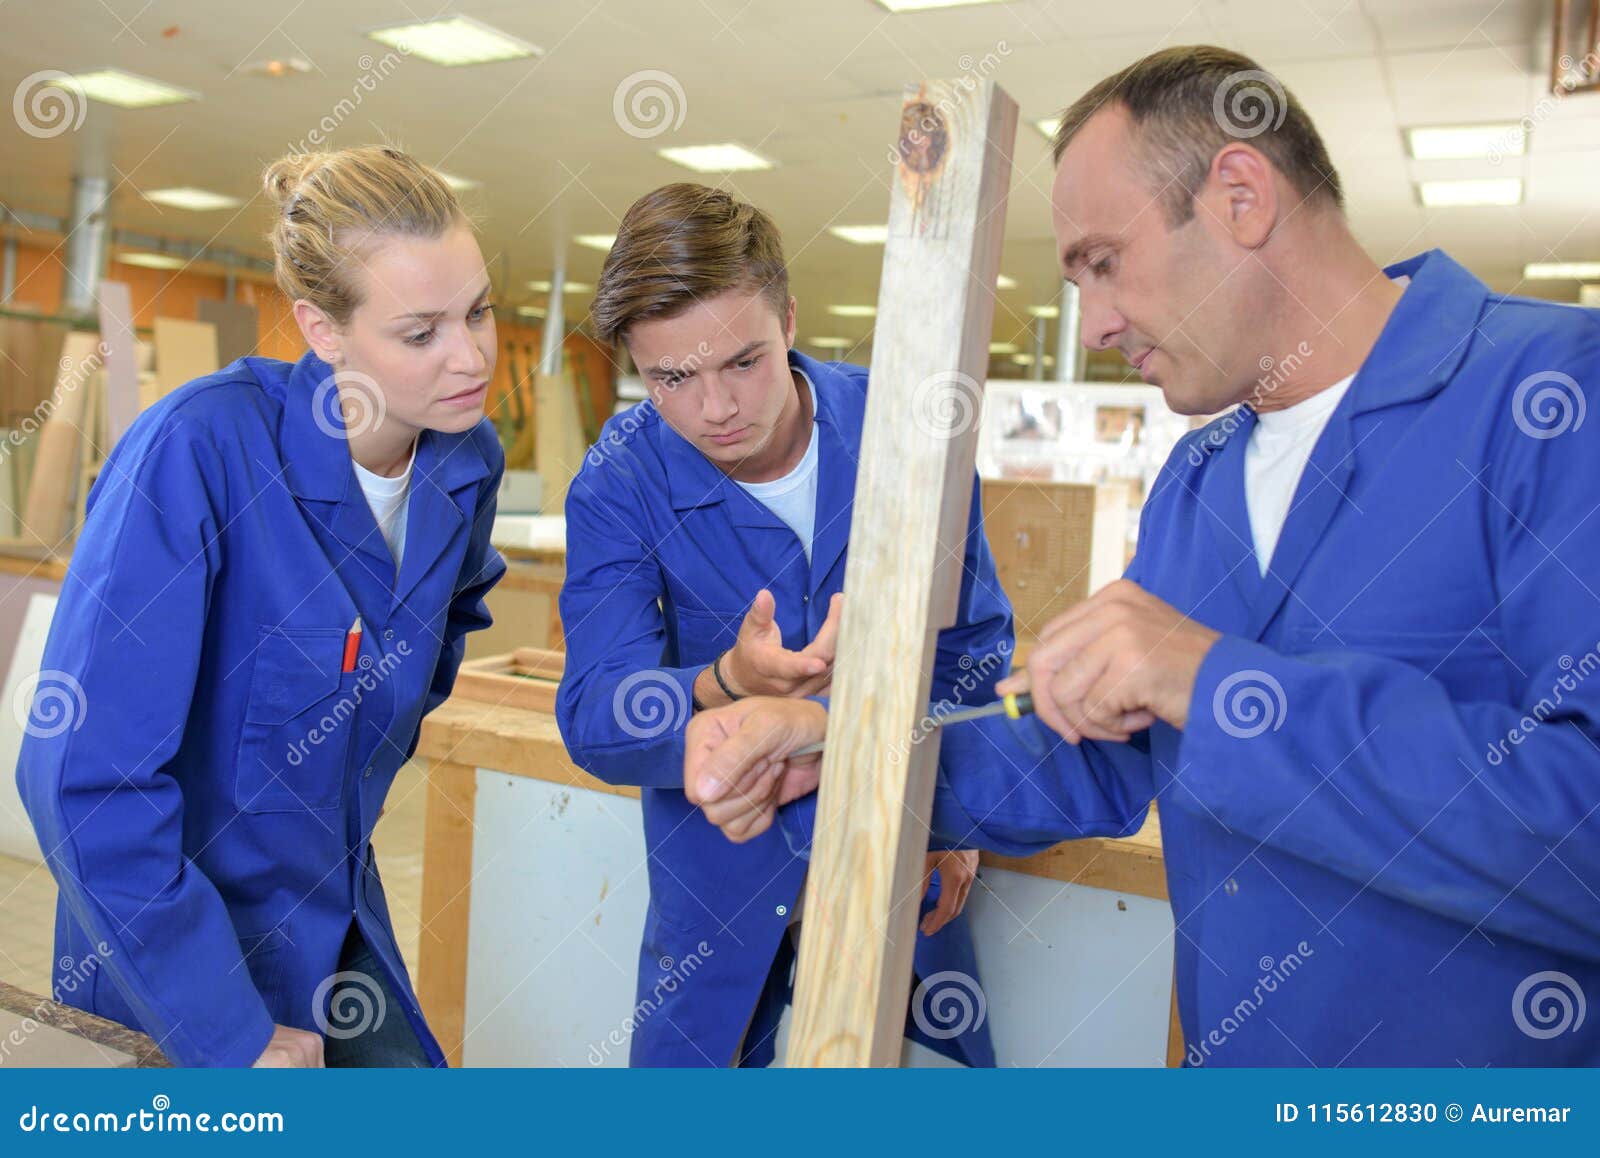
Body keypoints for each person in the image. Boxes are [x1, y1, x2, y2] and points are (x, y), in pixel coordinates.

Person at [684, 46, 1600, 1066]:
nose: (1099, 322)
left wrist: (1214, 680)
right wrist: (836, 748)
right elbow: (1091, 742)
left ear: (1241, 196)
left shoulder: (1554, 399)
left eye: (1104, 263)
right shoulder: (1198, 476)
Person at [16, 145, 506, 1067]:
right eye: (421, 332)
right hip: (169, 951)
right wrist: (232, 1035)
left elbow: (438, 629)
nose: (472, 355)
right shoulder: (198, 452)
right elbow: (81, 784)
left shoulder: (463, 461)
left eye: (478, 310)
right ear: (322, 329)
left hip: (334, 914)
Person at [556, 183, 1012, 1066]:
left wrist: (954, 821)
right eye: (670, 380)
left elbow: (974, 652)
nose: (715, 408)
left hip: (898, 859)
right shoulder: (617, 482)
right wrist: (723, 683)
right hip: (718, 893)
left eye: (743, 362)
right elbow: (596, 716)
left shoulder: (907, 431)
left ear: (790, 319)